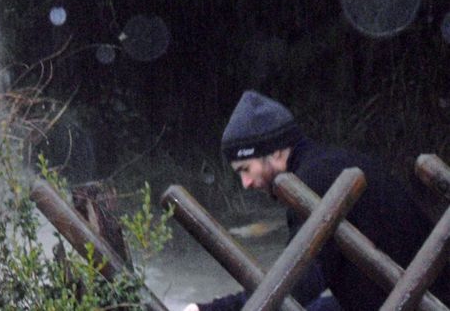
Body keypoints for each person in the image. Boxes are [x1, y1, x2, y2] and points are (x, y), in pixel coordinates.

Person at [182, 90, 450, 311]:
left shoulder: (313, 184)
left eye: (245, 169)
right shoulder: (330, 164)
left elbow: (294, 287)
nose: (246, 184)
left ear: (274, 153)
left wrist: (210, 310)